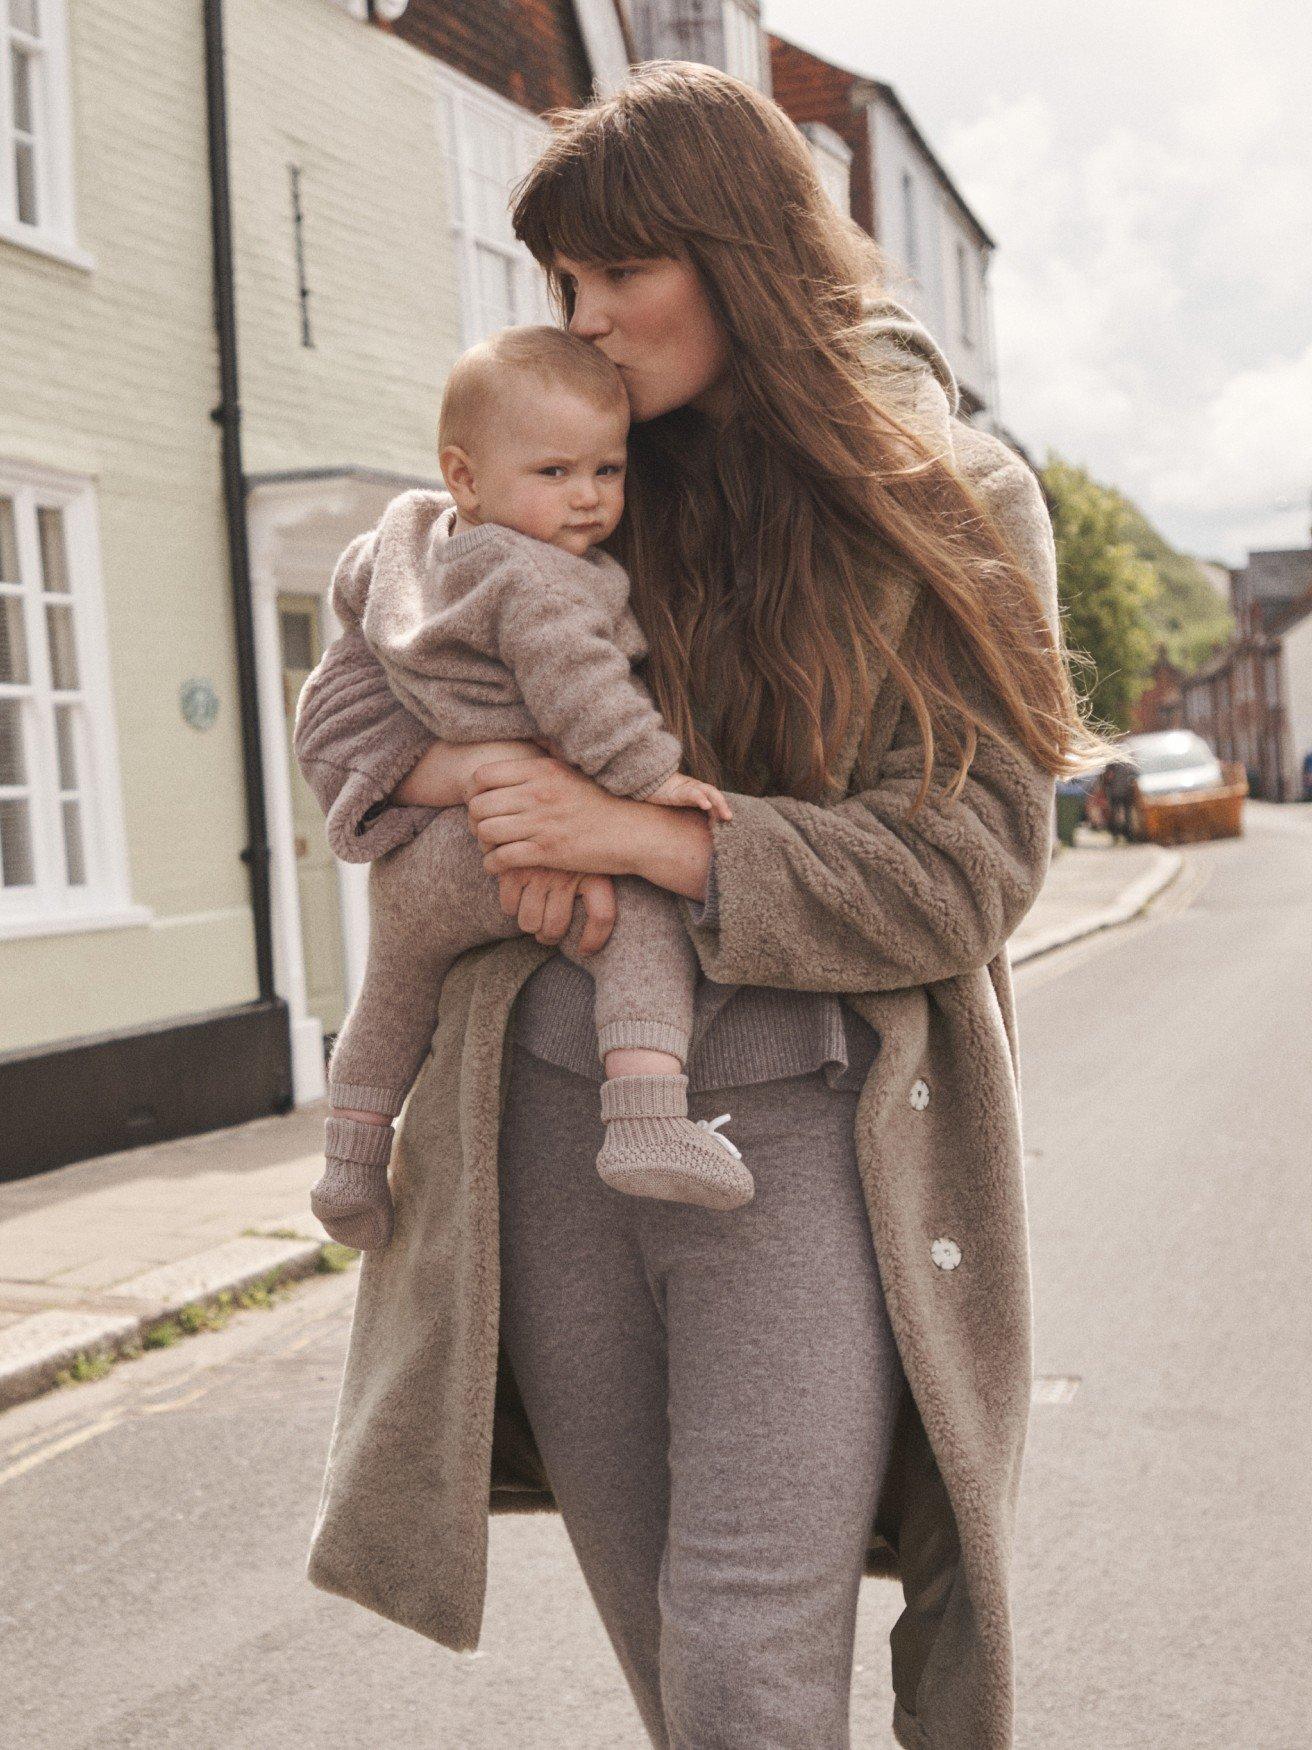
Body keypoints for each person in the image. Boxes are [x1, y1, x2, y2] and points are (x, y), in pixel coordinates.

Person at [294, 61, 1112, 1750]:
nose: (583, 326)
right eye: (560, 289)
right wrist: (464, 786)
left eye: (618, 278)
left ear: (738, 255)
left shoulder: (950, 504)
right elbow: (366, 674)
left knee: (750, 1668)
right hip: (540, 1125)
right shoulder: (571, 476)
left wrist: (639, 832)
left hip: (801, 1123)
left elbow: (967, 874)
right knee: (680, 1677)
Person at [310, 324, 753, 1254]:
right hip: (515, 833)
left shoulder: (403, 549)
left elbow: (350, 616)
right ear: (465, 476)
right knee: (641, 916)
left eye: (607, 470)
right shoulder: (540, 579)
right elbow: (580, 690)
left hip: (422, 853)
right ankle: (643, 1118)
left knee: (391, 990)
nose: (588, 499)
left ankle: (349, 1163)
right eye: (554, 474)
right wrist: (651, 781)